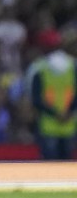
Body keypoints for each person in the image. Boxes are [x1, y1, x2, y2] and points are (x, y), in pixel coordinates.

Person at [27, 30, 75, 161]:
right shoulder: (73, 65)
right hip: (69, 122)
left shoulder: (38, 68)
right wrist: (69, 111)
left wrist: (55, 113)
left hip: (47, 124)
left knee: (49, 165)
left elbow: (35, 99)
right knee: (67, 165)